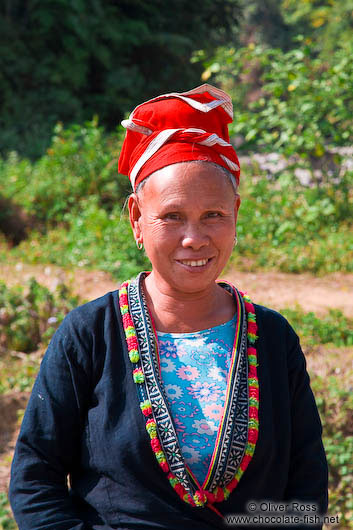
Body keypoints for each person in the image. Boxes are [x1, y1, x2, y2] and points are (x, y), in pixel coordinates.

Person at [9, 84, 328, 529]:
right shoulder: (89, 333)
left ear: (235, 213)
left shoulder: (272, 338)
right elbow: (35, 479)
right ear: (137, 219)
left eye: (213, 215)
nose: (194, 238)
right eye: (172, 216)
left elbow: (306, 486)